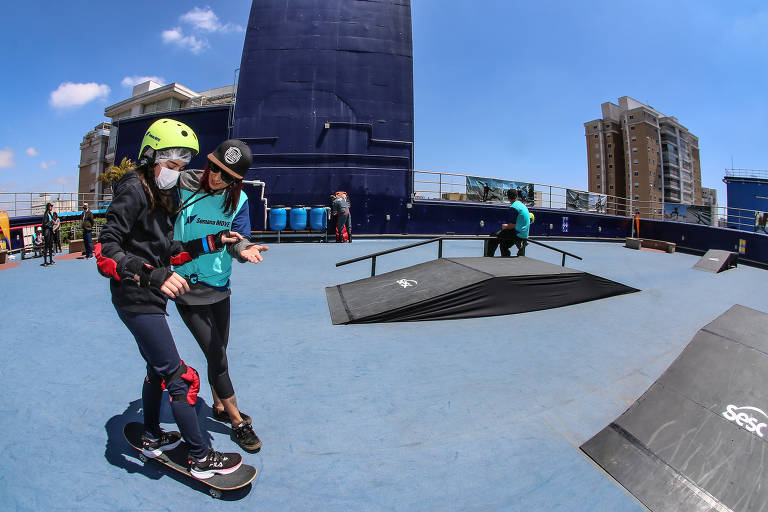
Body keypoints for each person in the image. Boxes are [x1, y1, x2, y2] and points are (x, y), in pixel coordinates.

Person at [96, 118, 243, 479]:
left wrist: (211, 242)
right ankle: (199, 456)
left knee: (156, 371)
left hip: (150, 295)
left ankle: (150, 434)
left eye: (181, 168)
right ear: (151, 156)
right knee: (183, 379)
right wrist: (150, 273)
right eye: (172, 166)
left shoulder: (163, 192)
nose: (177, 174)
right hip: (136, 296)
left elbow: (169, 250)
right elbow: (106, 249)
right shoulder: (133, 189)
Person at [171, 139, 267, 452]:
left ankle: (218, 406)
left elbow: (238, 240)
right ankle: (239, 422)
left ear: (236, 181)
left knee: (219, 350)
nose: (216, 178)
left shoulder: (238, 201)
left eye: (226, 176)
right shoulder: (185, 184)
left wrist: (245, 248)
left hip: (220, 287)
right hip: (188, 287)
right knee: (217, 356)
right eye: (215, 169)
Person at [485, 188, 530, 257]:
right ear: (517, 196)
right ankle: (506, 257)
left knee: (493, 236)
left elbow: (512, 225)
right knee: (504, 243)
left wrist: (504, 226)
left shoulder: (513, 207)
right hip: (525, 234)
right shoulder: (522, 205)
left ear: (508, 198)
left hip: (517, 234)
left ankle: (488, 256)